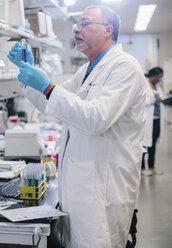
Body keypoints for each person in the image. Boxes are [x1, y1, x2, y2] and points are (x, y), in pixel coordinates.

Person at [8, 5, 145, 248]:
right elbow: (50, 102)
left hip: (103, 185)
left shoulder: (125, 67)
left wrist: (49, 86)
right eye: (77, 24)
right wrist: (29, 75)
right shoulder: (86, 70)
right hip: (80, 183)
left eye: (84, 23)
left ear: (107, 30)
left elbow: (96, 118)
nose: (76, 29)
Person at [141, 67, 164, 176]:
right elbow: (140, 101)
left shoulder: (157, 87)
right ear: (153, 76)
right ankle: (142, 168)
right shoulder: (143, 85)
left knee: (153, 143)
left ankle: (152, 166)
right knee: (143, 144)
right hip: (146, 120)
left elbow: (162, 98)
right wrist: (153, 100)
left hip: (156, 119)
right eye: (159, 77)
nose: (160, 79)